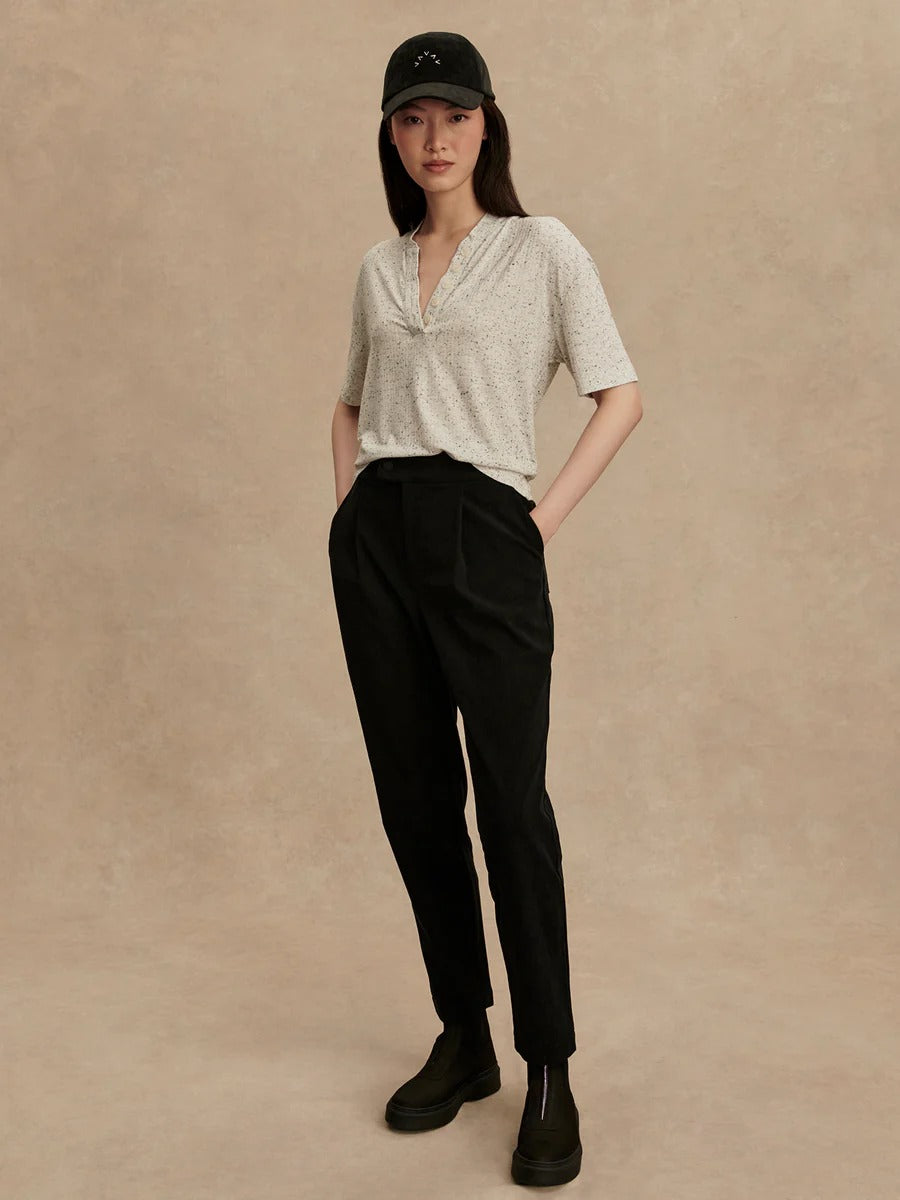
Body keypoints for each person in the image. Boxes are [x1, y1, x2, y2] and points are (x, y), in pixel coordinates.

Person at [327, 30, 642, 1189]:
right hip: (380, 540)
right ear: (391, 135)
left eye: (454, 115)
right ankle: (462, 1034)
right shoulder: (379, 266)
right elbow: (349, 403)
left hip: (488, 530)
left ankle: (547, 1065)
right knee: (415, 798)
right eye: (413, 119)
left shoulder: (541, 248)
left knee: (512, 804)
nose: (435, 138)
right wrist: (352, 512)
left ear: (487, 122)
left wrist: (534, 524)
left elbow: (621, 393)